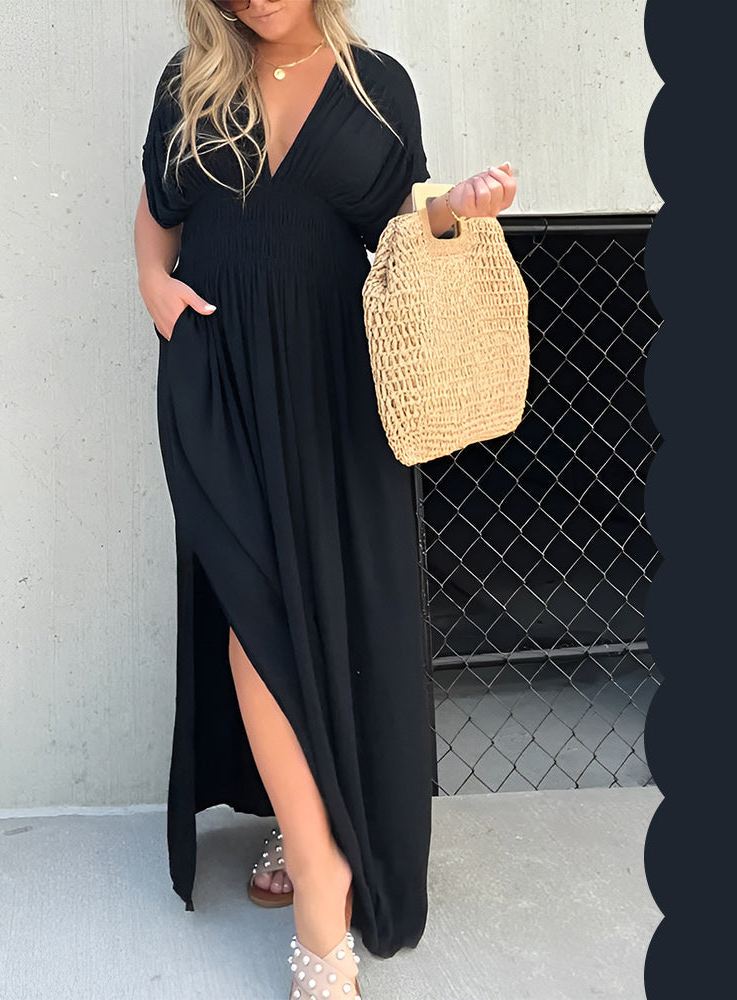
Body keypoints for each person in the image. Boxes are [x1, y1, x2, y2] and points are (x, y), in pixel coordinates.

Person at [134, 1, 517, 995]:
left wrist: (454, 208)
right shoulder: (189, 83)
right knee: (254, 614)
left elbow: (400, 233)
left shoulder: (376, 86)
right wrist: (154, 289)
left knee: (328, 611)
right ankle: (319, 882)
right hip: (216, 378)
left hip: (333, 388)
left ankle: (311, 821)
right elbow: (157, 213)